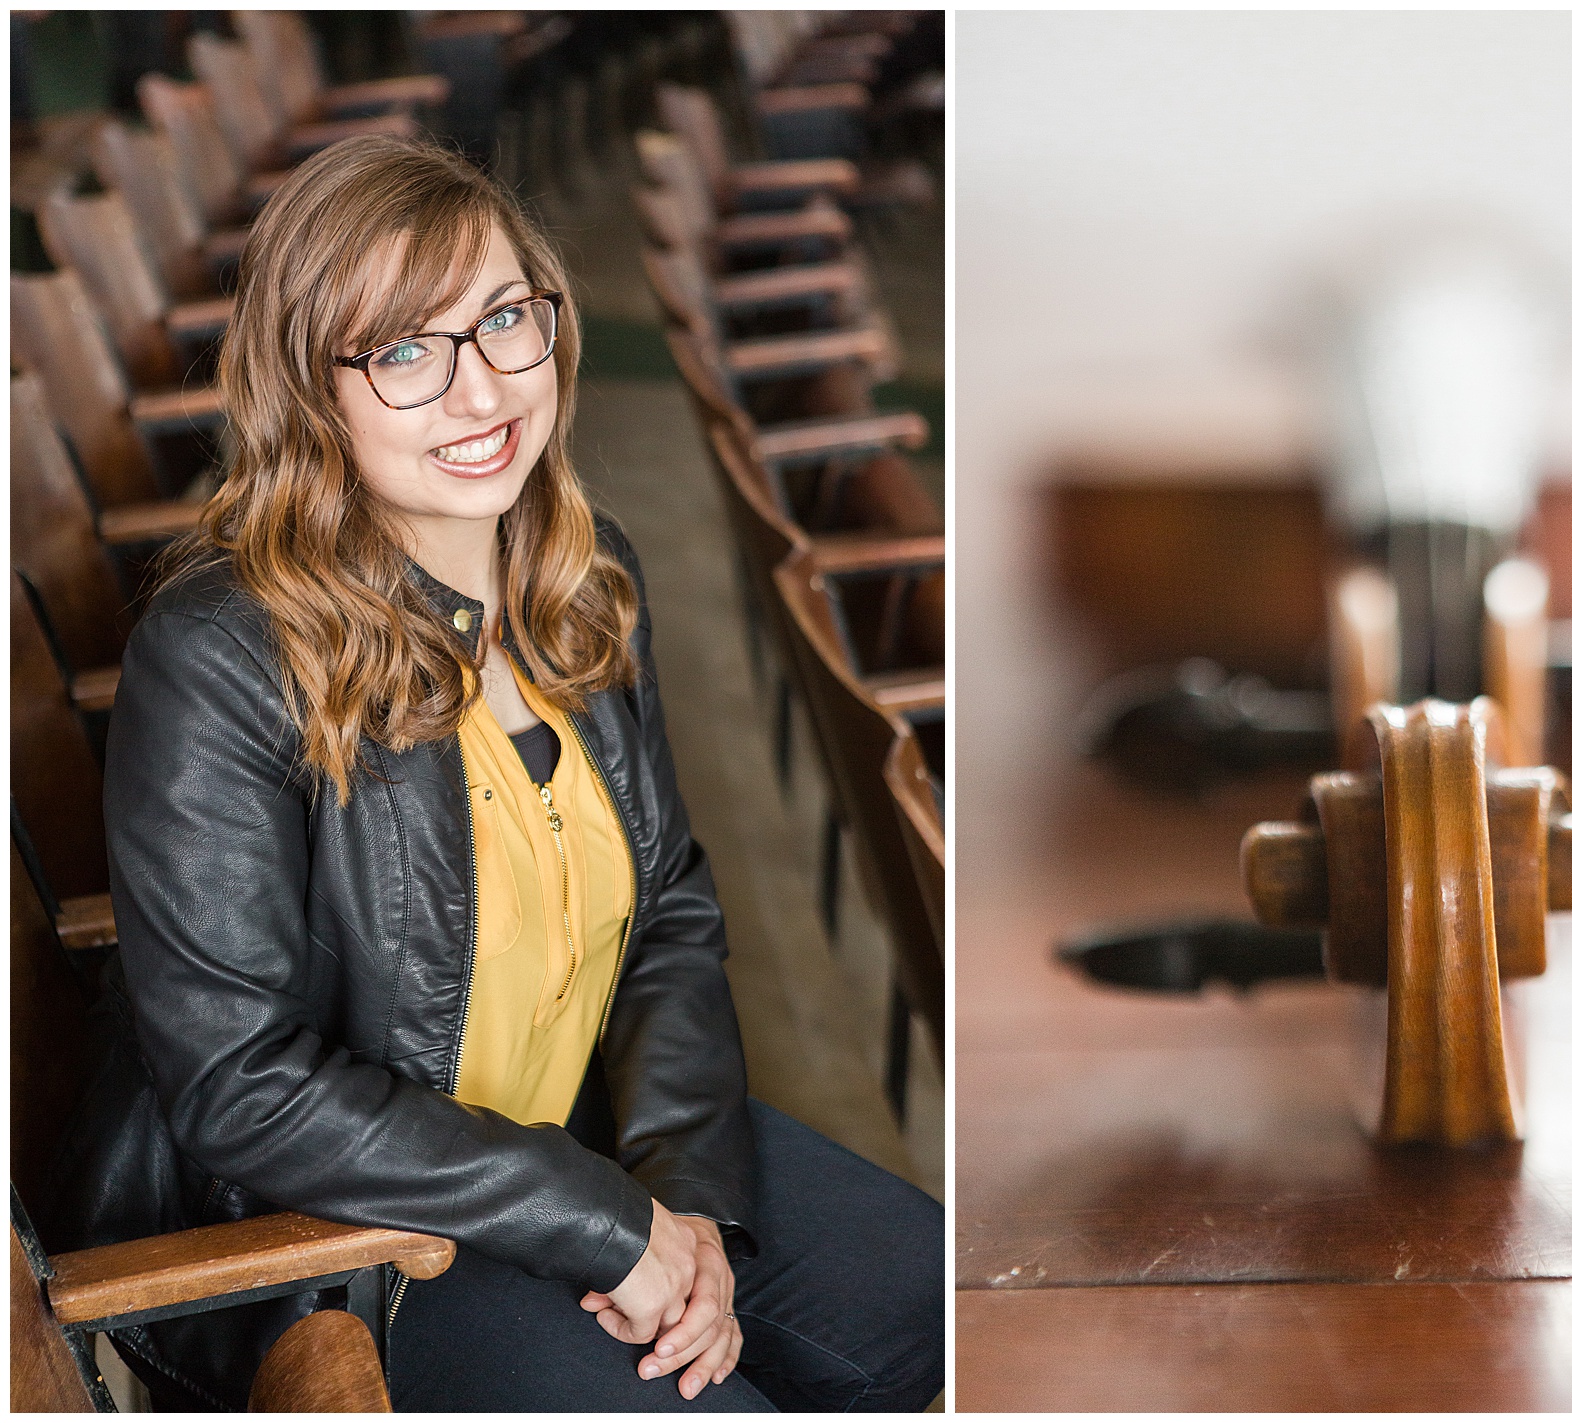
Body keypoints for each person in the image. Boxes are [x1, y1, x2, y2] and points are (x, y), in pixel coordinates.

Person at [47, 134, 943, 1412]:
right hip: (354, 1241)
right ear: (313, 390)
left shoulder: (589, 581)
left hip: (582, 1127)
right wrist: (606, 1223)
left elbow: (671, 914)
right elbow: (244, 1088)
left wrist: (684, 1200)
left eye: (503, 320)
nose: (479, 393)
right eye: (404, 351)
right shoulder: (217, 658)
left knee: (936, 1302)